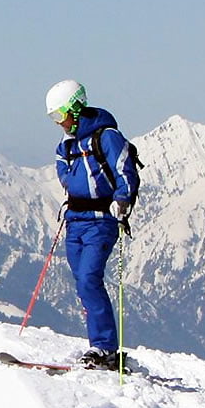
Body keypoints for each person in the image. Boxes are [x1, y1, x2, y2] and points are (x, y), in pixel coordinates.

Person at [45, 80, 140, 370]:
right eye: (54, 118)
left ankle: (105, 348)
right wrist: (71, 184)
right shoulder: (67, 144)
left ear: (74, 108)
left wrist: (122, 200)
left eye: (60, 115)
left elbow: (125, 169)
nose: (59, 123)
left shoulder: (106, 137)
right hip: (75, 219)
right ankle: (98, 345)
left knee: (89, 278)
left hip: (100, 220)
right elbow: (62, 166)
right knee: (82, 282)